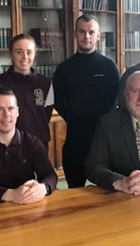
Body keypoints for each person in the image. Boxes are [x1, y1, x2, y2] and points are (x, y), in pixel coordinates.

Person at [53, 14, 120, 188]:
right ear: (75, 34)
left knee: (109, 188)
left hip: (105, 137)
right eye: (82, 32)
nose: (86, 36)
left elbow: (116, 98)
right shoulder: (64, 69)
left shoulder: (109, 67)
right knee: (75, 188)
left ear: (98, 36)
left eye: (91, 32)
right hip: (76, 136)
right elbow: (58, 101)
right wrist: (74, 117)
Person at [0, 87, 57, 204]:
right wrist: (11, 194)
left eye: (11, 108)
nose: (6, 115)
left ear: (17, 112)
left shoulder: (31, 141)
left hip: (26, 207)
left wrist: (43, 188)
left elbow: (50, 175)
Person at [0, 34, 54, 151]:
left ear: (35, 54)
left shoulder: (45, 83)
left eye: (29, 52)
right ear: (11, 54)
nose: (24, 57)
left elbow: (47, 115)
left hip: (39, 145)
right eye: (19, 52)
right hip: (7, 146)